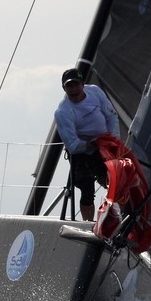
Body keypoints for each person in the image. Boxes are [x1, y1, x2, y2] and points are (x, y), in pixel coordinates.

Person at [53, 68, 120, 221]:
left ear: (83, 84)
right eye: (69, 86)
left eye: (76, 84)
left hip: (105, 146)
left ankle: (119, 218)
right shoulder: (62, 112)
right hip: (82, 152)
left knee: (114, 180)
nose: (73, 89)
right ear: (64, 88)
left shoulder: (95, 92)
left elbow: (111, 117)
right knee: (87, 188)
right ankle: (88, 223)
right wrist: (93, 144)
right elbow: (73, 146)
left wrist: (113, 142)